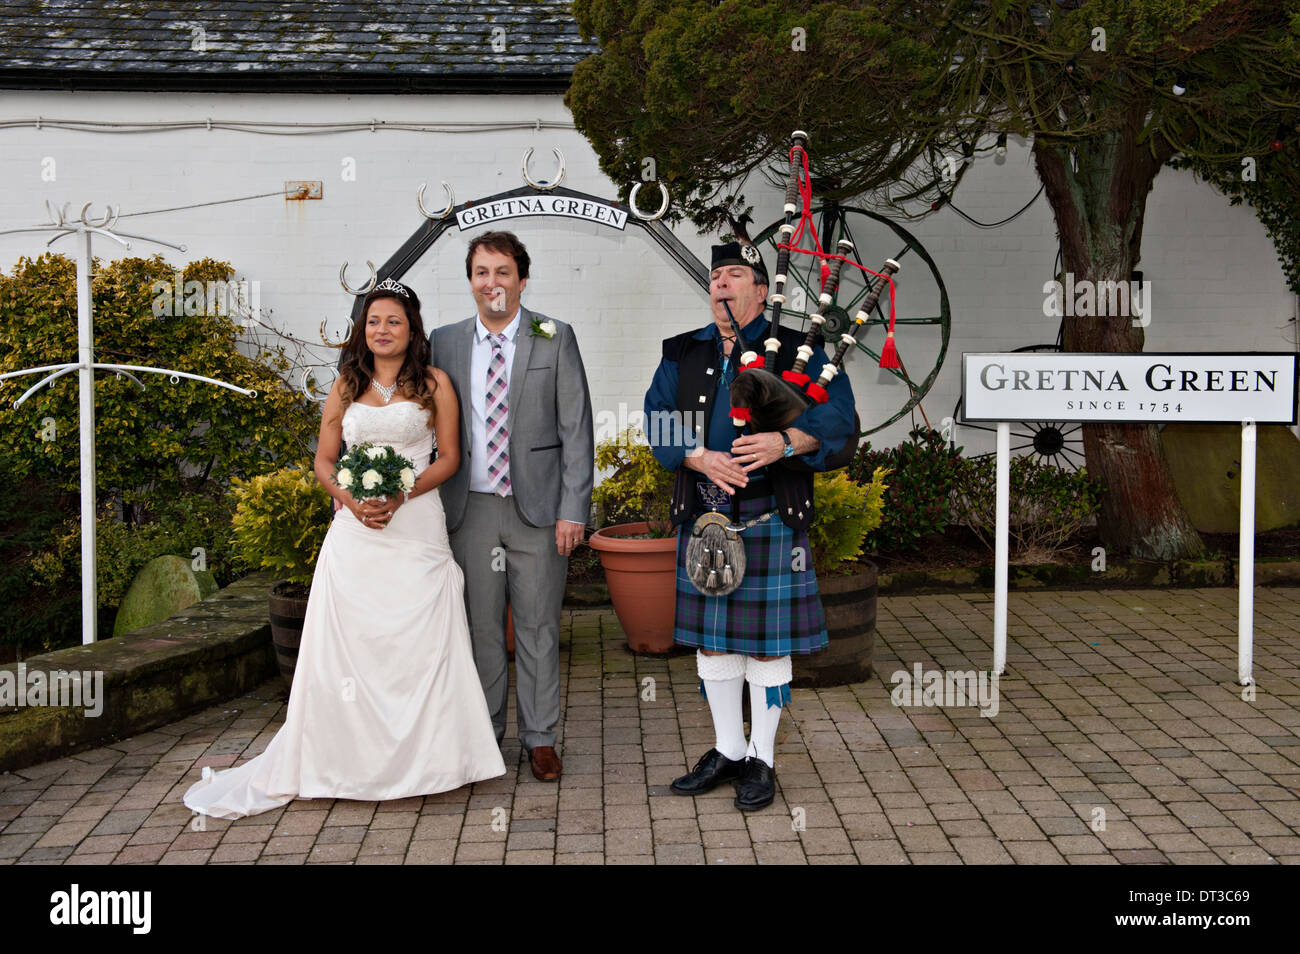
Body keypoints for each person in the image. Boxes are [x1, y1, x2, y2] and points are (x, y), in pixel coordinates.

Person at [183, 279, 505, 819]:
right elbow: (325, 461)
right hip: (356, 529)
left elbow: (448, 458)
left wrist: (402, 493)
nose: (382, 330)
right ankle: (346, 760)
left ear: (411, 330)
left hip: (417, 521)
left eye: (394, 321)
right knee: (355, 640)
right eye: (374, 321)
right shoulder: (344, 385)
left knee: (417, 638)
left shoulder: (434, 384)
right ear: (363, 329)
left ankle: (431, 761)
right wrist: (353, 501)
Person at [644, 241, 855, 811]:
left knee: (768, 647)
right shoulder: (684, 353)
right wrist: (695, 455)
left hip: (770, 517)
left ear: (761, 291)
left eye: (734, 274)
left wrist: (786, 441)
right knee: (714, 644)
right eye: (714, 276)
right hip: (706, 514)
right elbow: (658, 418)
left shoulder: (799, 351)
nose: (721, 283)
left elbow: (838, 423)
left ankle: (763, 756)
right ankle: (728, 748)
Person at [429, 231, 594, 782]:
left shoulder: (554, 336)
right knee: (479, 631)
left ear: (522, 280)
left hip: (541, 512)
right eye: (482, 272)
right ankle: (485, 736)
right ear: (470, 281)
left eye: (503, 272)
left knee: (539, 628)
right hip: (469, 510)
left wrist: (575, 509)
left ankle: (540, 739)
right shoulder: (444, 342)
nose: (492, 283)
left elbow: (576, 431)